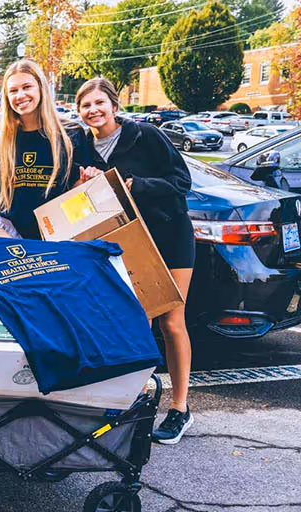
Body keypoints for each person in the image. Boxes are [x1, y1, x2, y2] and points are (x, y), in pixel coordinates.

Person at [76, 77, 196, 444]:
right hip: (126, 243)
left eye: (99, 103)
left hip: (169, 236)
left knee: (172, 321)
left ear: (114, 105)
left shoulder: (146, 136)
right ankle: (134, 403)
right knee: (134, 323)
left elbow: (182, 181)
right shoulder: (81, 146)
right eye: (85, 106)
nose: (93, 111)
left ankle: (179, 407)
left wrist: (135, 185)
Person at [0, 59, 103, 240]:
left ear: (41, 89)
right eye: (13, 90)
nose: (20, 95)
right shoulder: (3, 143)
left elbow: (84, 186)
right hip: (14, 238)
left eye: (27, 87)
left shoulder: (71, 134)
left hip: (61, 236)